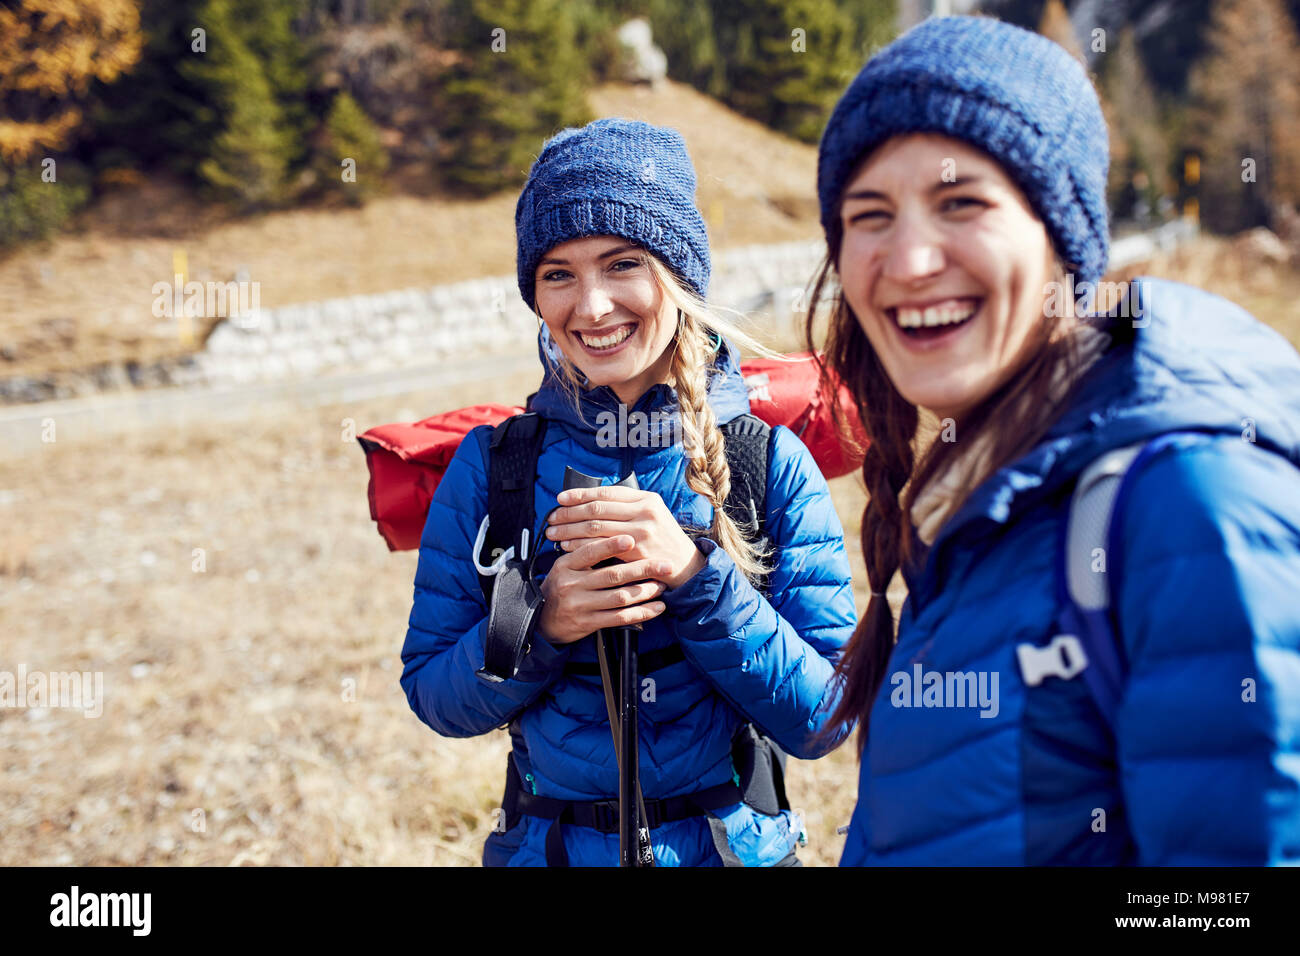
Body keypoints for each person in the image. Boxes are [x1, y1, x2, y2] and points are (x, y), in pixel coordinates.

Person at [807, 16, 1300, 865]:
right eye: (870, 215)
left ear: (1062, 240)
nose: (911, 258)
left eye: (961, 203)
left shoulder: (1187, 502)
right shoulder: (984, 498)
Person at [400, 118, 856, 866]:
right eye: (558, 274)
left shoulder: (765, 464)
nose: (593, 306)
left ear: (678, 274)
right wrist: (539, 626)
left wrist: (696, 579)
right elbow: (435, 697)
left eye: (622, 264)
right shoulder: (495, 467)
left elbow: (826, 718)